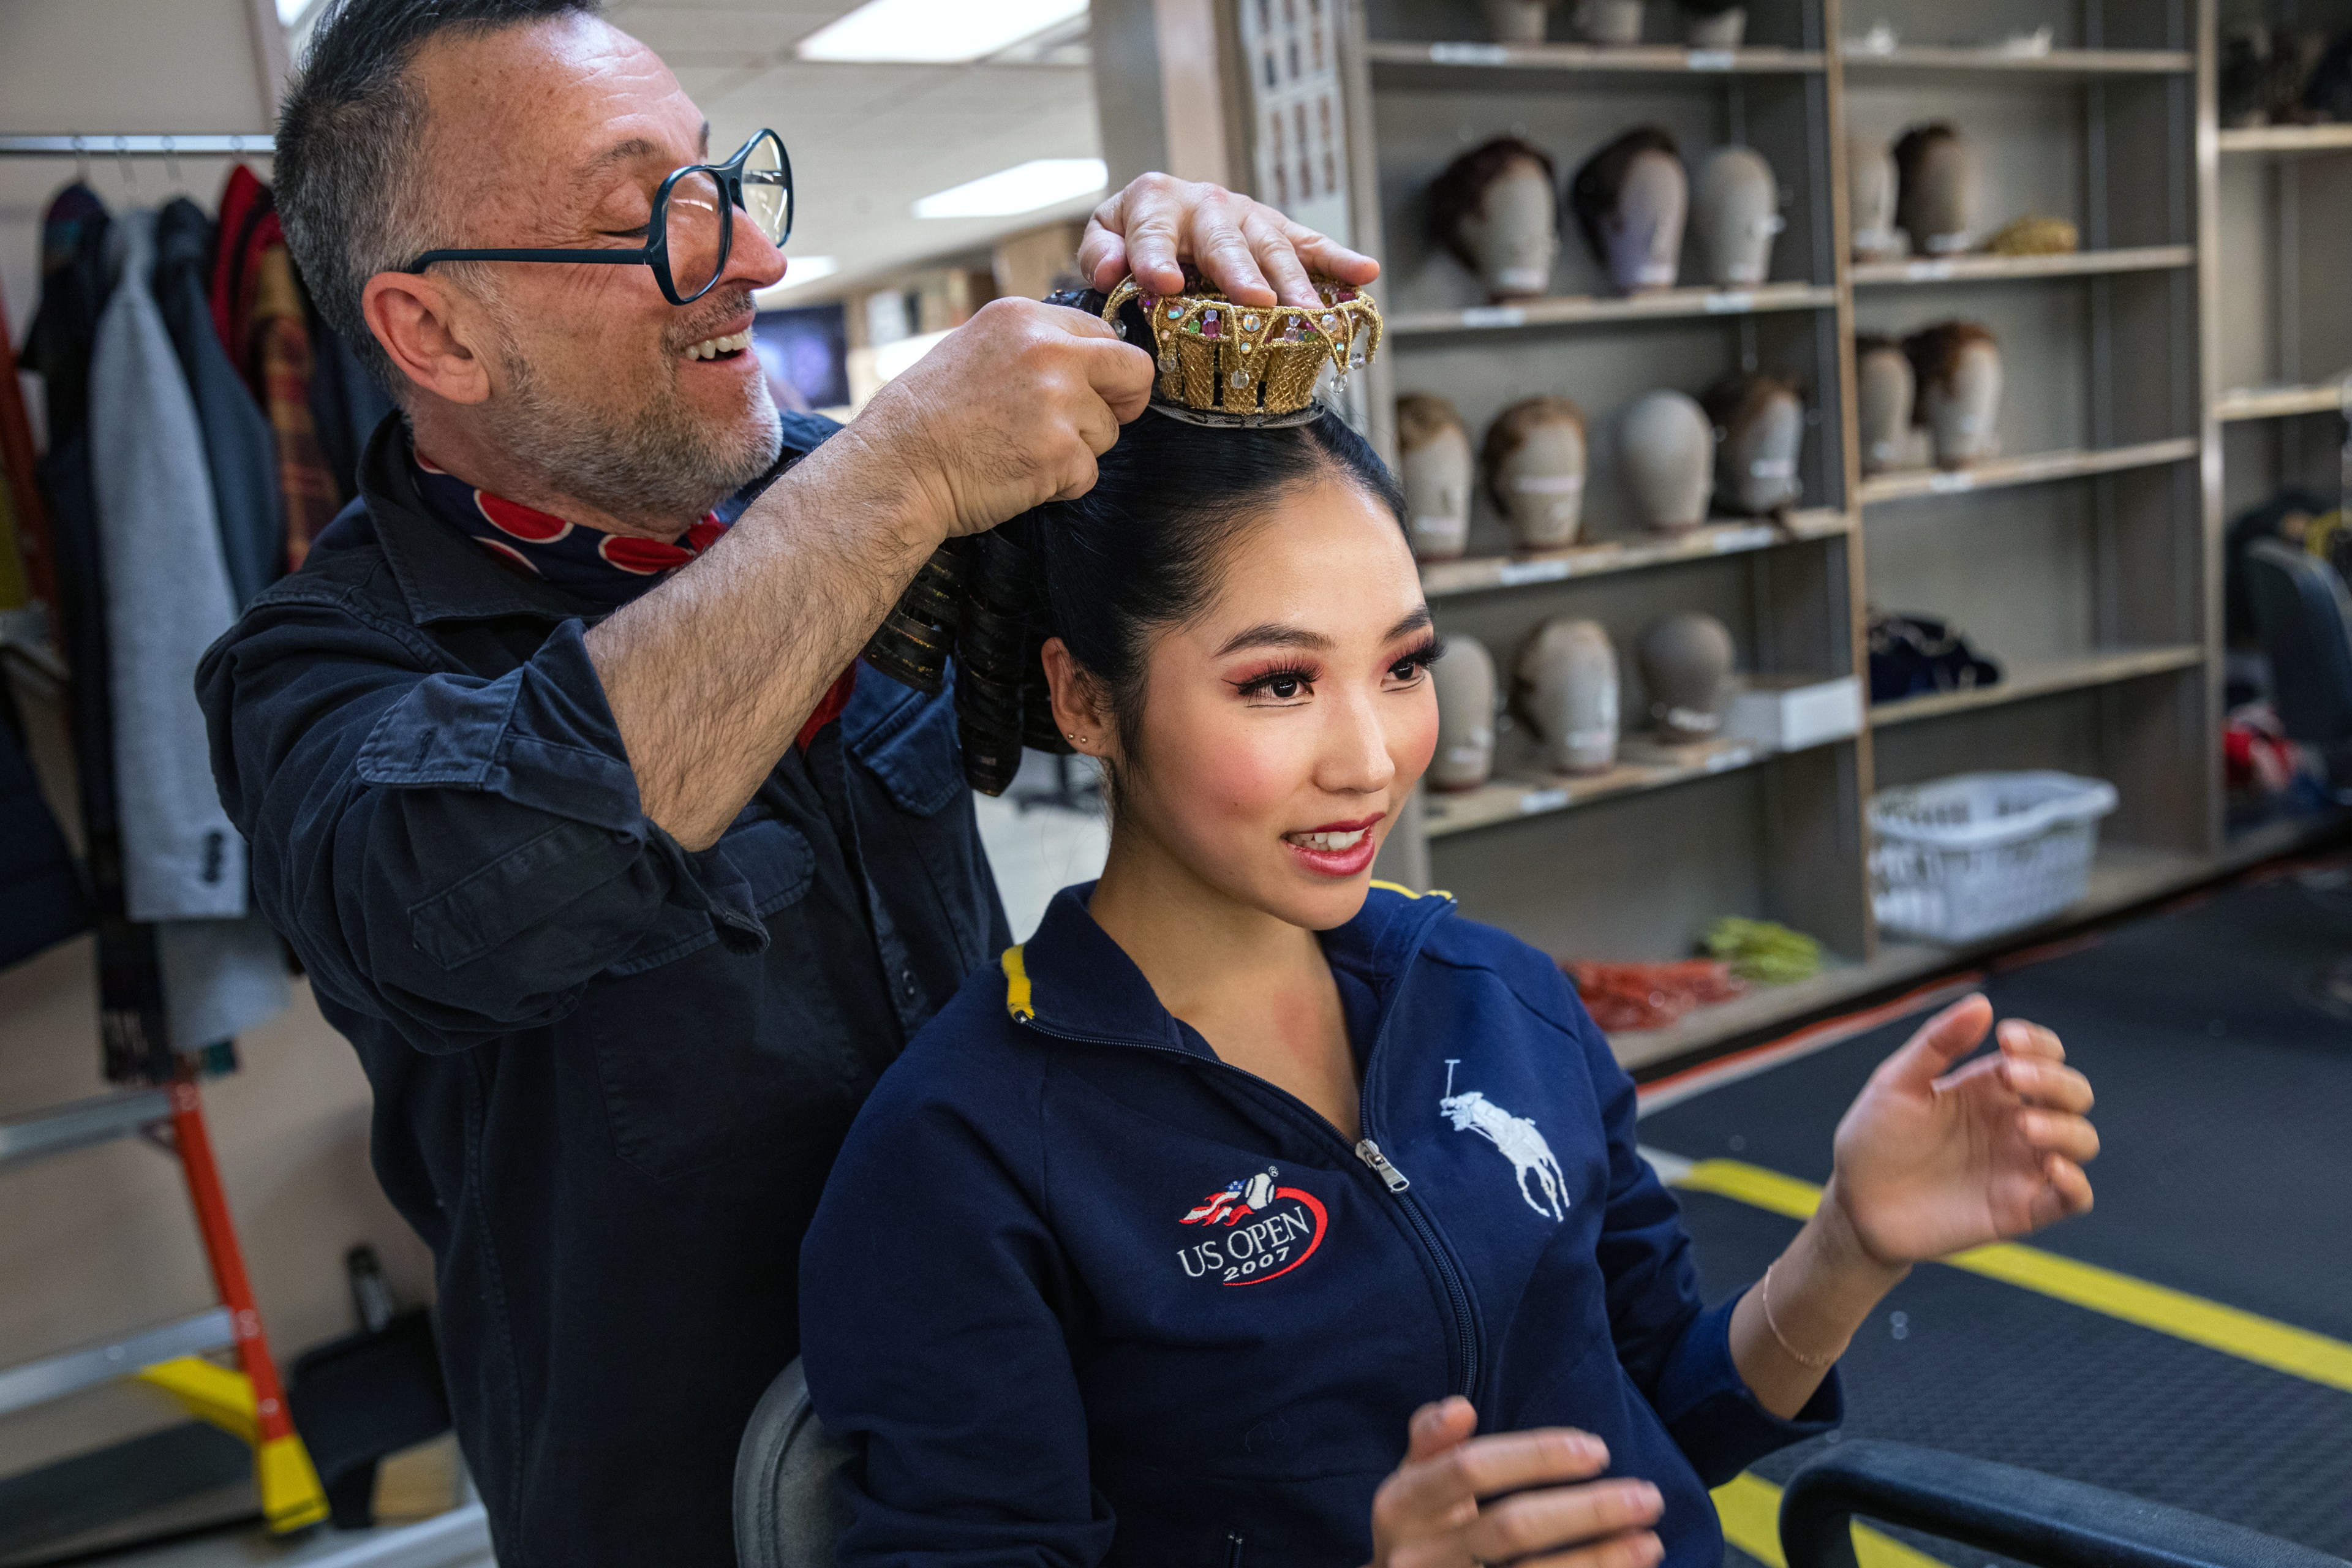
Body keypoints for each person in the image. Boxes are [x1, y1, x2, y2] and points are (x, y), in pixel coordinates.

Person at [193, 1, 1378, 1562]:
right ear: (438, 333)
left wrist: (1188, 318)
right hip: (688, 1485)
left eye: (726, 184)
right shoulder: (321, 669)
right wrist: (888, 482)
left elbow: (1215, 611)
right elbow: (458, 890)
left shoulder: (859, 487)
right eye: (651, 222)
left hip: (1040, 1388)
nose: (749, 258)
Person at [796, 286, 2103, 1568]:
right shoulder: (961, 1153)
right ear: (1084, 700)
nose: (1371, 758)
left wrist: (1848, 1244)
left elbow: (1656, 1416)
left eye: (1404, 665)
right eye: (1280, 682)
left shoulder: (1500, 996)